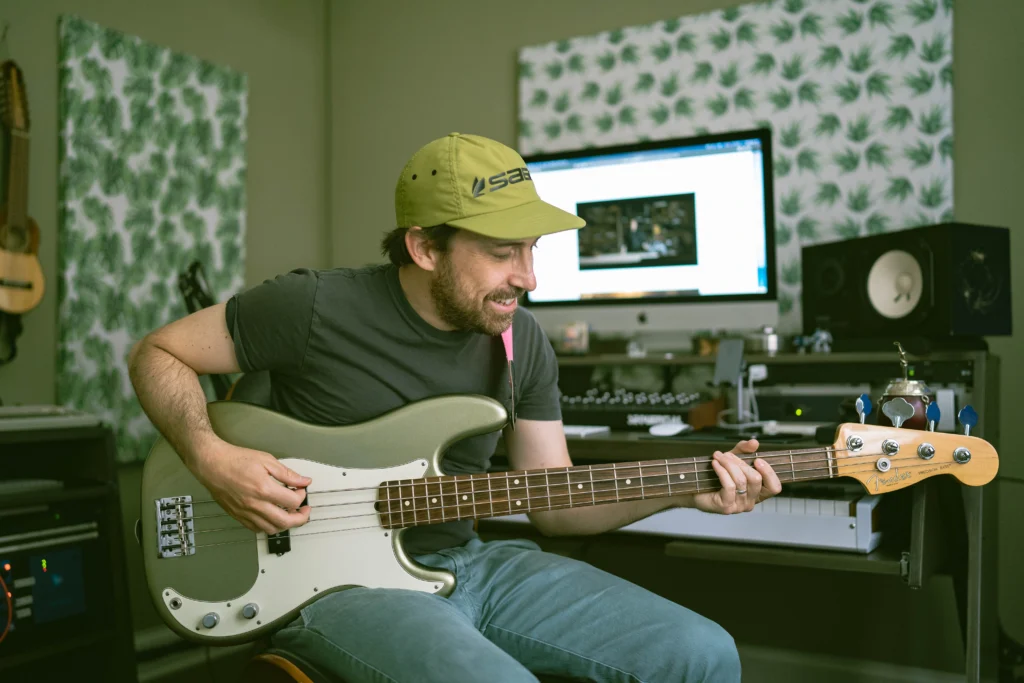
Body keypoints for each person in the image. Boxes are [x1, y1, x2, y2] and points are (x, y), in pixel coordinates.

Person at [128, 132, 783, 683]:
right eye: (502, 252)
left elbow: (556, 502)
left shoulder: (522, 340)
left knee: (702, 652)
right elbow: (157, 353)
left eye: (532, 249)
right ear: (424, 248)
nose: (529, 277)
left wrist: (684, 489)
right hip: (334, 586)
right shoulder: (313, 306)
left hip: (470, 563)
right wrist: (211, 459)